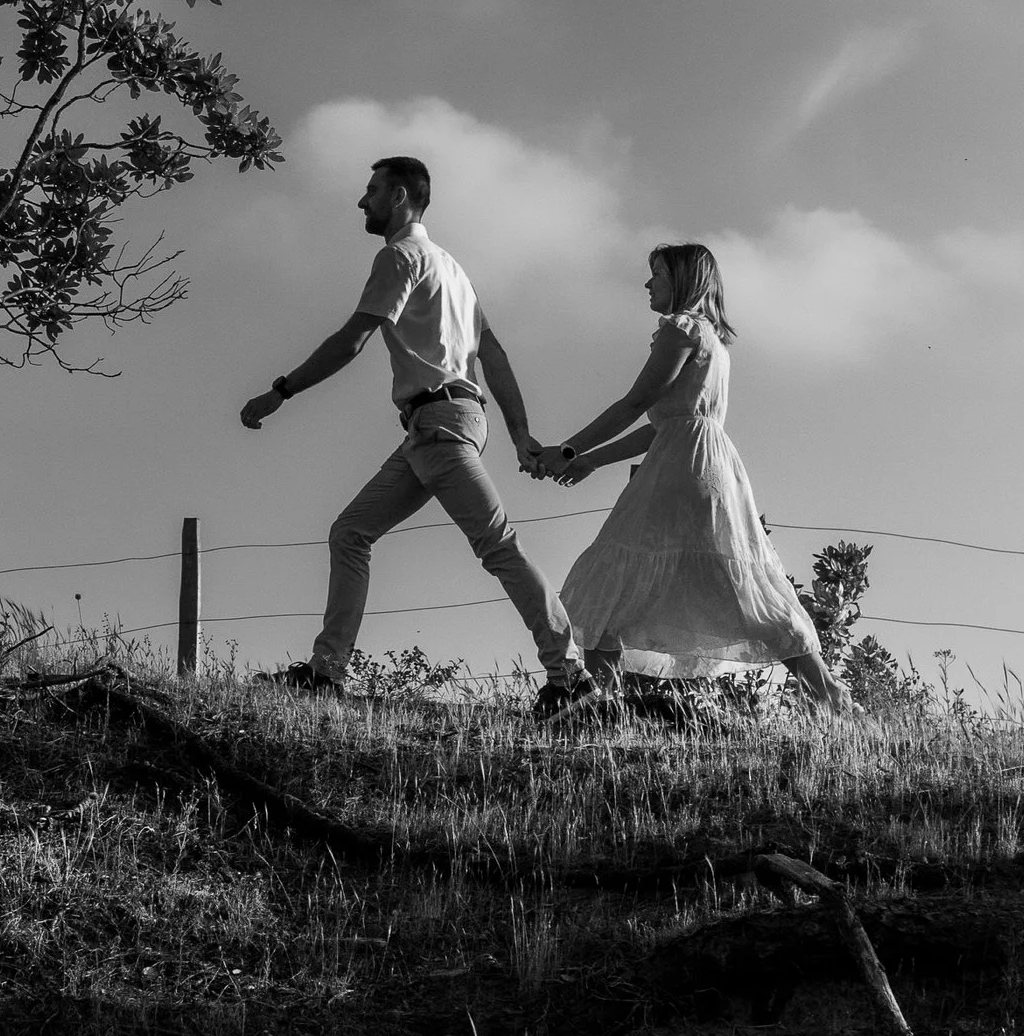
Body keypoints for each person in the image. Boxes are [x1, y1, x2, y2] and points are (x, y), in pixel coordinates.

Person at [240, 153, 588, 700]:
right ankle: (325, 673)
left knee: (497, 547)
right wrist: (519, 435)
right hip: (444, 424)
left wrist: (280, 391)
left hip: (440, 425)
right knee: (350, 533)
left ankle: (572, 677)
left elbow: (350, 341)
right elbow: (491, 354)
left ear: (400, 196)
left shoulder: (400, 258)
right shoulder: (452, 268)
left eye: (372, 190)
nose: (363, 200)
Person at [530, 243, 837, 703]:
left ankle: (595, 701)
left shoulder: (680, 329)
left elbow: (636, 403)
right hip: (710, 466)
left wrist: (570, 448)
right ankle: (830, 695)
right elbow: (662, 426)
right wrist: (589, 461)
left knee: (609, 584)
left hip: (680, 469)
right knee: (740, 586)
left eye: (657, 274)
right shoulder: (713, 341)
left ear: (684, 281)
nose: (648, 283)